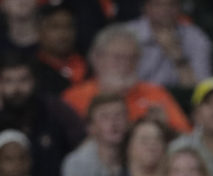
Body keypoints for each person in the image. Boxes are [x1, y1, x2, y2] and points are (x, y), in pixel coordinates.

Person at [62, 25, 191, 134]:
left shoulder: (156, 94)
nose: (125, 64)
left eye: (132, 58)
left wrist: (165, 128)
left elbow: (186, 136)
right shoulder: (74, 97)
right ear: (97, 58)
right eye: (117, 58)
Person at [0, 51, 86, 176]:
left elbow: (81, 144)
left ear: (34, 81)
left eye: (23, 80)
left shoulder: (55, 110)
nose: (16, 88)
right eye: (8, 81)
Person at [125, 0, 213, 89]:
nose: (165, 9)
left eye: (172, 5)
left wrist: (177, 56)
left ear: (180, 7)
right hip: (136, 95)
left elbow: (202, 89)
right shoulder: (127, 34)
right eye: (158, 5)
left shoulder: (196, 38)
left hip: (179, 98)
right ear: (146, 7)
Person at [60, 93, 129, 176]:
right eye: (104, 117)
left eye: (119, 115)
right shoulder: (76, 164)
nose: (113, 123)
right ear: (91, 127)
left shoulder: (137, 154)